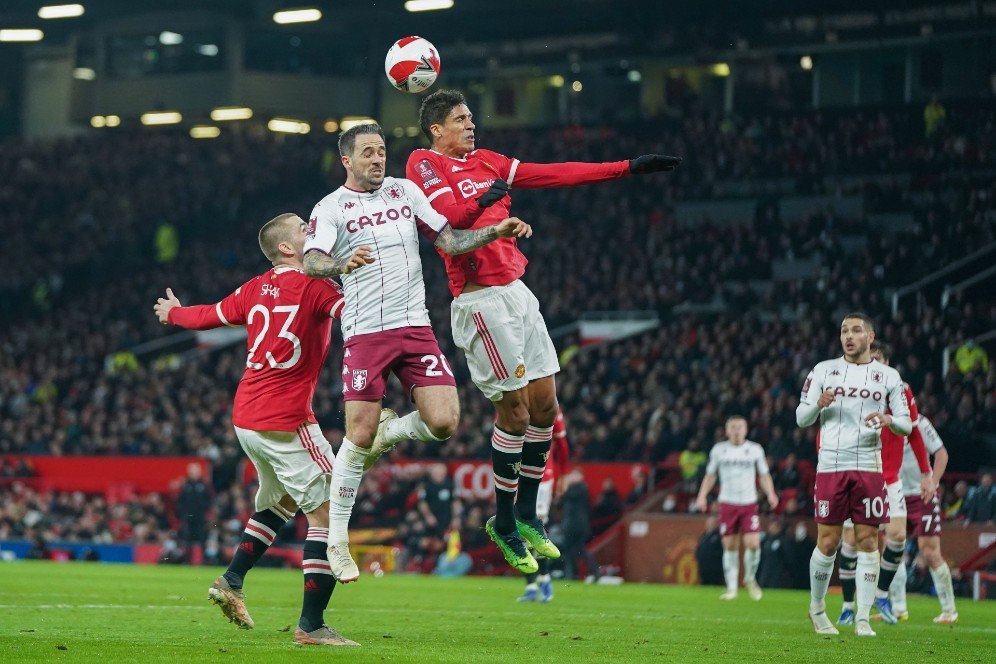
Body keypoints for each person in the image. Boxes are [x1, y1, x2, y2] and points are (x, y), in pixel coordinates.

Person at [406, 89, 681, 572]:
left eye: (472, 116)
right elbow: (447, 227)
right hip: (479, 299)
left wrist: (626, 168)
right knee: (512, 412)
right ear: (437, 129)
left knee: (545, 408)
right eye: (461, 118)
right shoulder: (423, 164)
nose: (472, 124)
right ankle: (505, 520)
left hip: (517, 290)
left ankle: (529, 515)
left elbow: (555, 173)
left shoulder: (488, 160)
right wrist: (486, 209)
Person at [302, 122, 532, 581]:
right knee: (359, 435)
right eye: (367, 152)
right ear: (346, 160)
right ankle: (338, 542)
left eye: (382, 150)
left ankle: (394, 433)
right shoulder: (330, 207)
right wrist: (340, 263)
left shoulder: (405, 192)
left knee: (444, 422)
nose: (377, 158)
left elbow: (448, 240)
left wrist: (495, 232)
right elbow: (311, 262)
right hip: (366, 332)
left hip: (415, 328)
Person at [154, 212, 358, 646]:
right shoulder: (317, 286)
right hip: (285, 421)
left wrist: (173, 313)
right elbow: (356, 318)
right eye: (305, 230)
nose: (313, 233)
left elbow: (209, 315)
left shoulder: (254, 287)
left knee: (280, 503)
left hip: (247, 416)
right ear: (287, 247)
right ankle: (311, 626)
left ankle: (231, 581)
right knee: (326, 512)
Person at [796, 312, 913, 637]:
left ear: (870, 337)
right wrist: (817, 404)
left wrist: (889, 420)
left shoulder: (888, 376)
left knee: (867, 540)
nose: (849, 336)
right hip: (831, 466)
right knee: (830, 542)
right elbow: (801, 418)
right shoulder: (823, 370)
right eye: (845, 330)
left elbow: (906, 423)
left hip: (869, 468)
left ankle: (862, 617)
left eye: (856, 330)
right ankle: (817, 609)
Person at [836, 340, 934, 626]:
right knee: (852, 542)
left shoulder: (902, 391)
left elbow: (914, 434)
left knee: (898, 537)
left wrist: (926, 472)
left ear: (887, 363)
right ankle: (847, 605)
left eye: (878, 359)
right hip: (857, 474)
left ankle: (881, 595)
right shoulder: (852, 388)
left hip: (890, 478)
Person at [694, 415, 778, 601]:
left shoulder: (755, 450)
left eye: (740, 427)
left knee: (754, 544)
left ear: (746, 430)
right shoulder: (719, 450)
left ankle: (750, 579)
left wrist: (771, 493)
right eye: (732, 427)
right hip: (728, 503)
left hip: (749, 503)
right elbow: (710, 475)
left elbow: (764, 475)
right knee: (730, 546)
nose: (736, 430)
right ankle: (732, 588)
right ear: (727, 430)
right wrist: (701, 496)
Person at [889, 415, 959, 624]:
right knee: (891, 550)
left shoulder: (919, 422)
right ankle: (898, 609)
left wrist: (933, 481)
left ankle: (949, 610)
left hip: (923, 495)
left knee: (929, 551)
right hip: (896, 493)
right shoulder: (883, 422)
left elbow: (941, 453)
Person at [518, 407, 570, 603]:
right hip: (517, 476)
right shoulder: (509, 399)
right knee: (522, 532)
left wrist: (564, 474)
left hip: (542, 477)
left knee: (533, 530)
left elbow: (562, 444)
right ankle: (532, 585)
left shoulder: (550, 406)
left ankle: (544, 578)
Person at [176, 462, 212, 548]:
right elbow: (180, 500)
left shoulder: (204, 485)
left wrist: (204, 508)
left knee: (202, 536)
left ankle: (204, 558)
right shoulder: (185, 485)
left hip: (200, 515)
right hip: (188, 515)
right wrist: (182, 512)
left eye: (196, 471)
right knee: (187, 537)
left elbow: (209, 499)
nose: (194, 473)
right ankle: (187, 559)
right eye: (192, 471)